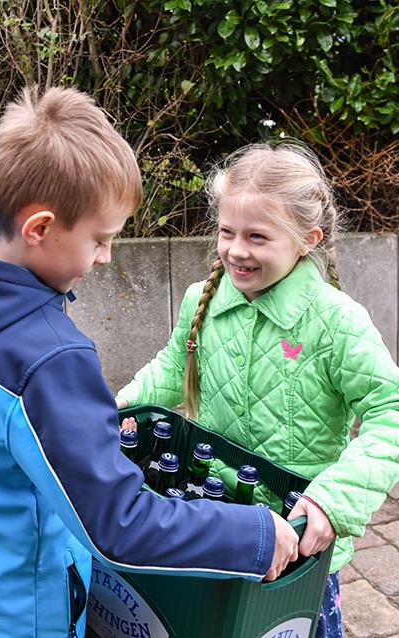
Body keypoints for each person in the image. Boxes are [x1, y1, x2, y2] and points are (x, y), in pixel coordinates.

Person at [0, 87, 299, 638]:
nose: (106, 257)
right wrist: (253, 536)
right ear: (39, 228)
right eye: (100, 240)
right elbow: (117, 524)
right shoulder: (48, 357)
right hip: (19, 610)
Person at [117, 142, 399, 638]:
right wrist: (118, 406)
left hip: (298, 545)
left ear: (306, 239)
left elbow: (390, 409)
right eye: (227, 232)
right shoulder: (201, 300)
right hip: (213, 520)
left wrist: (334, 500)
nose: (236, 250)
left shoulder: (337, 322)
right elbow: (171, 365)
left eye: (258, 236)